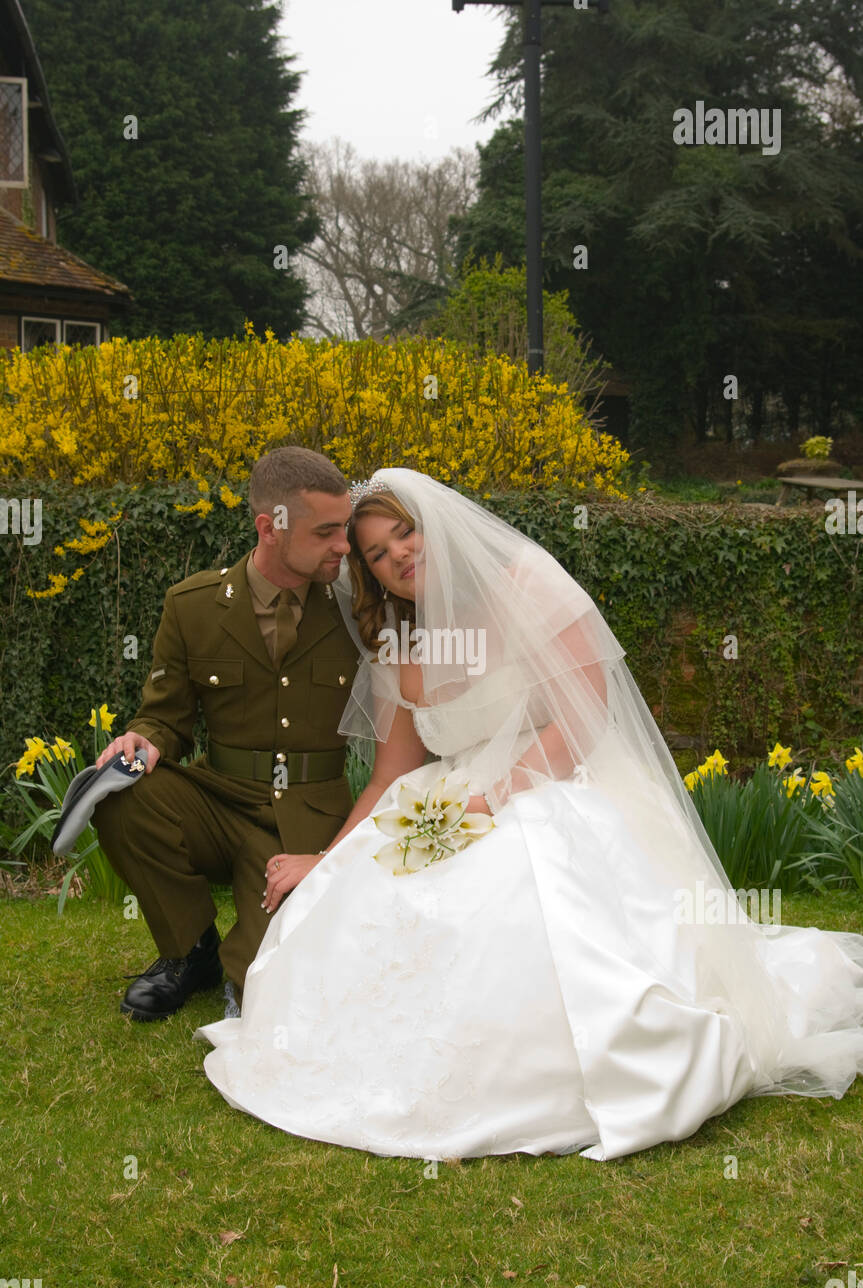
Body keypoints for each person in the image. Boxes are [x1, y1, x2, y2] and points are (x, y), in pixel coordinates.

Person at [195, 467, 863, 1162]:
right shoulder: (396, 645)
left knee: (513, 897)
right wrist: (326, 859)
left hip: (557, 783)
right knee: (370, 895)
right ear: (369, 574)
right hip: (446, 797)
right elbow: (391, 773)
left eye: (406, 531)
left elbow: (581, 718)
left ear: (438, 528)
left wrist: (488, 802)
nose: (398, 554)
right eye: (375, 553)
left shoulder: (527, 584)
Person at [92, 447, 360, 1021]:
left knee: (264, 989)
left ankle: (240, 962)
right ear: (271, 527)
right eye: (328, 532)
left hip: (310, 814)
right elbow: (165, 715)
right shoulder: (192, 607)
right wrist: (144, 739)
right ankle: (190, 953)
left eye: (346, 528)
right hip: (221, 801)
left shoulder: (360, 609)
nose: (345, 545)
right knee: (120, 791)